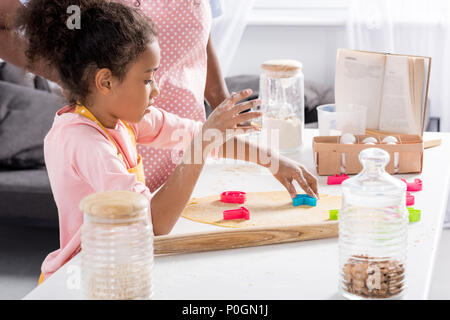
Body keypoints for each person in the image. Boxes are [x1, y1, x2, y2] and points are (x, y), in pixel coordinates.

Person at [14, 0, 318, 282]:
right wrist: (200, 148)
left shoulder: (122, 121)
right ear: (105, 81)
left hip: (122, 266)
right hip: (85, 279)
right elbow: (153, 222)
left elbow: (196, 134)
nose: (157, 90)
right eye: (147, 79)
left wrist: (273, 161)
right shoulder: (84, 141)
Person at [1, 0, 231, 192]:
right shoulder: (86, 144)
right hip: (116, 144)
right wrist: (72, 75)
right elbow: (3, 25)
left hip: (187, 137)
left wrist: (224, 104)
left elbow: (200, 37)